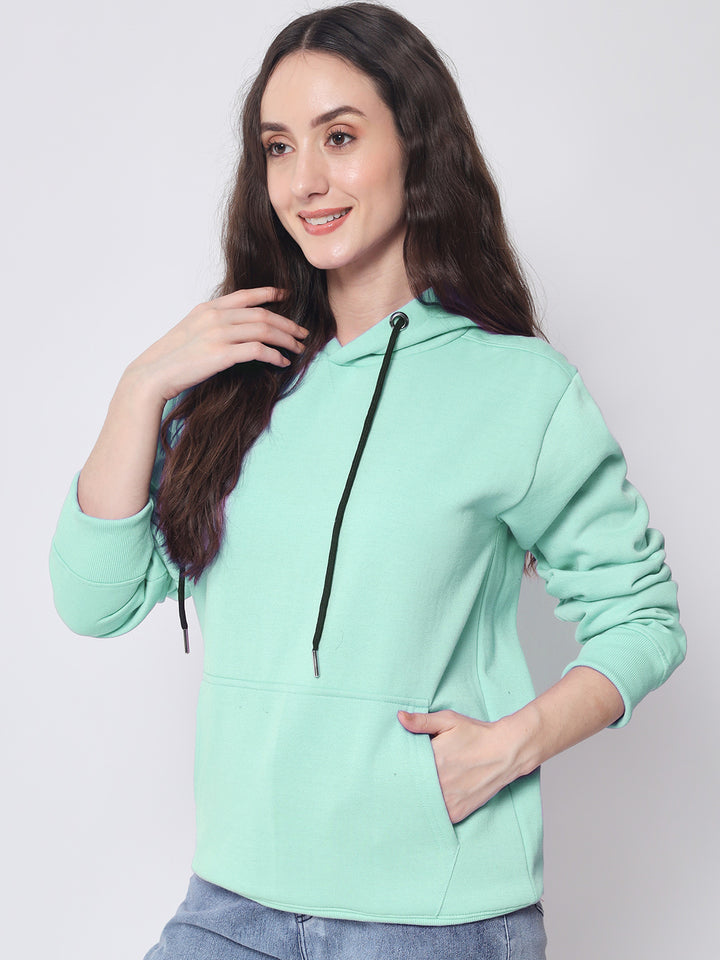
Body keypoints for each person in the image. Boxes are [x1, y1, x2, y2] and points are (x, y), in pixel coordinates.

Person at [48, 3, 686, 958]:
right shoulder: (236, 385)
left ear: (415, 145)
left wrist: (510, 744)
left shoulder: (518, 388)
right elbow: (93, 603)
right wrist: (141, 387)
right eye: (278, 147)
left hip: (434, 919)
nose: (305, 180)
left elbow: (643, 616)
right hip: (232, 901)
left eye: (339, 137)